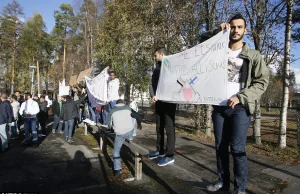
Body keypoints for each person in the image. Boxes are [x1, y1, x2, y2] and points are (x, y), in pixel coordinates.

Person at [204, 14, 269, 194]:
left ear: (245, 30)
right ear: (229, 28)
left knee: (238, 148)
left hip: (240, 108)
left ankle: (239, 189)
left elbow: (262, 81)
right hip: (219, 106)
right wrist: (217, 32)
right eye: (233, 27)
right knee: (220, 146)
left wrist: (241, 97)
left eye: (239, 27)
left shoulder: (253, 55)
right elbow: (200, 43)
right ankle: (222, 181)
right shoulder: (218, 49)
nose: (235, 30)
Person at [148, 47, 177, 167]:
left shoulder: (173, 67)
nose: (155, 58)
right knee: (159, 126)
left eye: (156, 55)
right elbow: (152, 84)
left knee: (169, 127)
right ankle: (159, 151)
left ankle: (169, 155)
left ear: (161, 54)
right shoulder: (157, 69)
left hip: (169, 101)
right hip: (159, 101)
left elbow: (178, 81)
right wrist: (153, 95)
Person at [107, 99, 142, 177]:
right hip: (129, 131)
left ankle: (117, 170)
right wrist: (139, 123)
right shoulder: (128, 108)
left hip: (119, 133)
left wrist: (113, 127)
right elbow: (137, 116)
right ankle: (129, 139)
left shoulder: (111, 111)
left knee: (116, 151)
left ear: (116, 104)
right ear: (123, 103)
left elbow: (109, 125)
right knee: (130, 129)